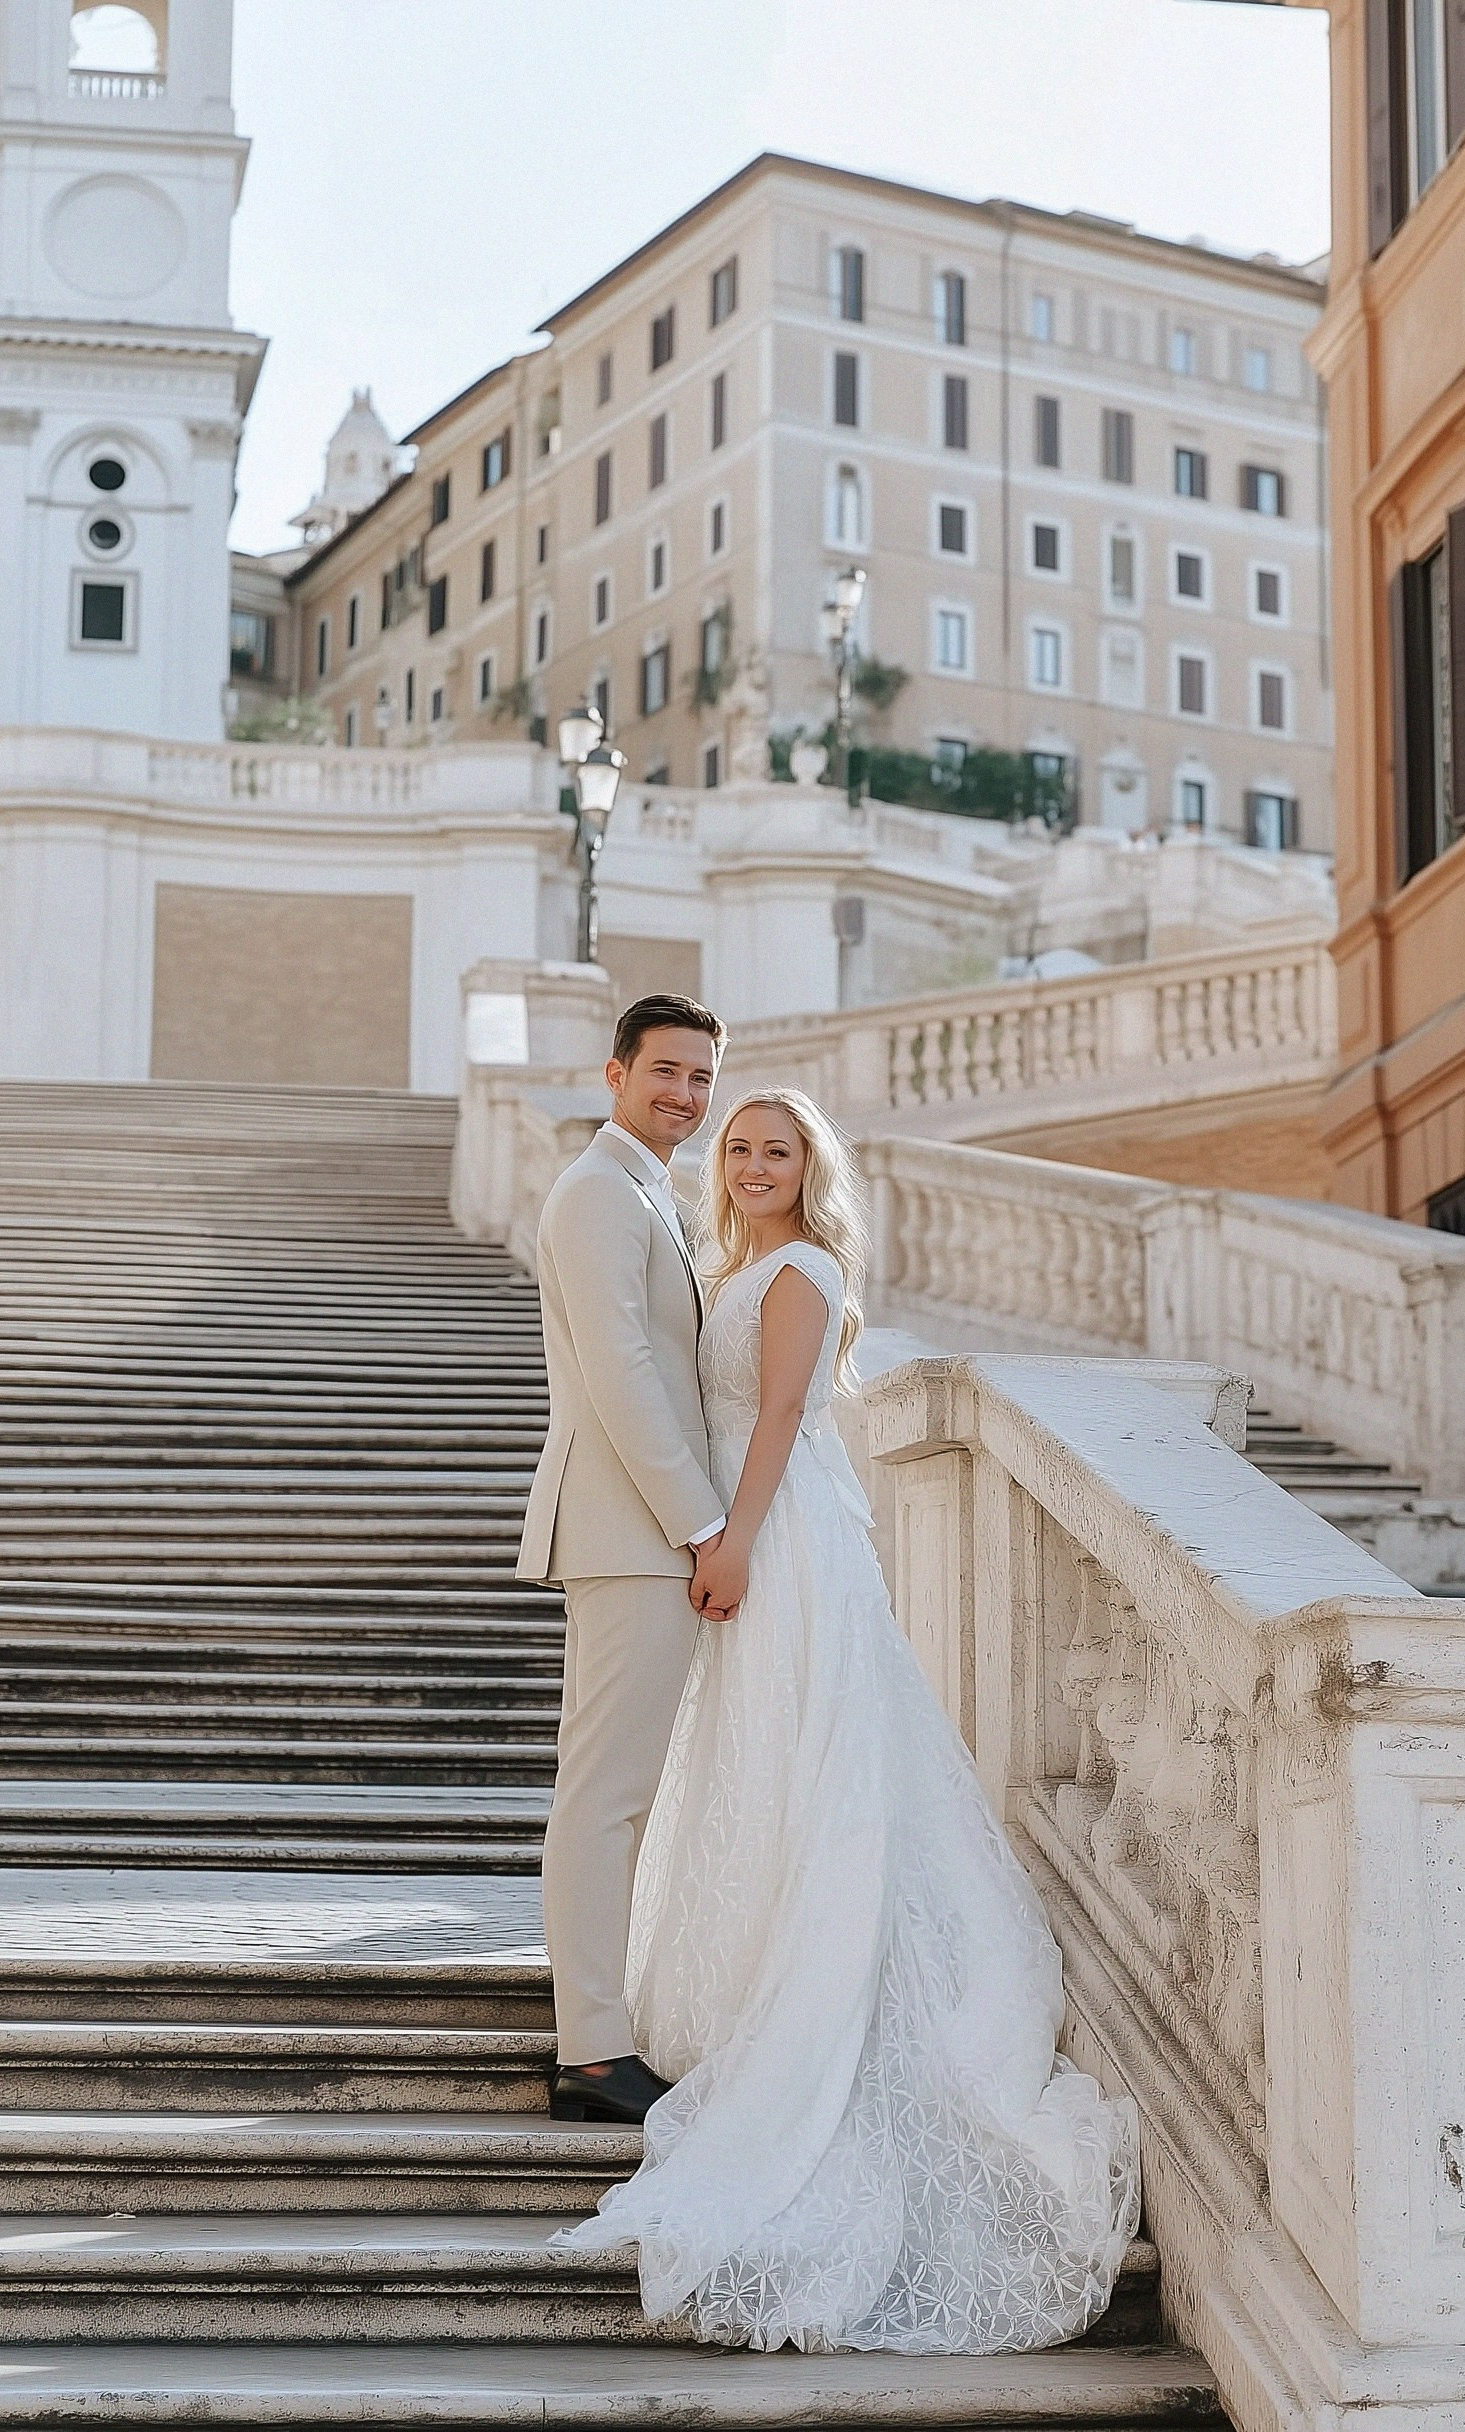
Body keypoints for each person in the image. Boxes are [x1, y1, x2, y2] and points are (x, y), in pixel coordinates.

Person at [564, 1085, 1140, 2353]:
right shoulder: (738, 1261)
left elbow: (774, 1419)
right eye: (742, 1148)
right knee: (747, 1766)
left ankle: (810, 1999)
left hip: (780, 1538)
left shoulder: (801, 1271)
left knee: (802, 1761)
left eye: (779, 1149)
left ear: (809, 1168)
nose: (757, 1163)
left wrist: (734, 1544)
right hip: (738, 1525)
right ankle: (737, 1982)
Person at [517, 992, 730, 2127]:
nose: (683, 1096)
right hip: (628, 1528)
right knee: (603, 1796)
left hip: (645, 1527)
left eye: (700, 1078)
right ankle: (591, 2050)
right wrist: (702, 1525)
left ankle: (610, 2022)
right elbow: (621, 1376)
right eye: (663, 1072)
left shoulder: (654, 1189)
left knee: (625, 1792)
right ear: (613, 1074)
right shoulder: (599, 1191)